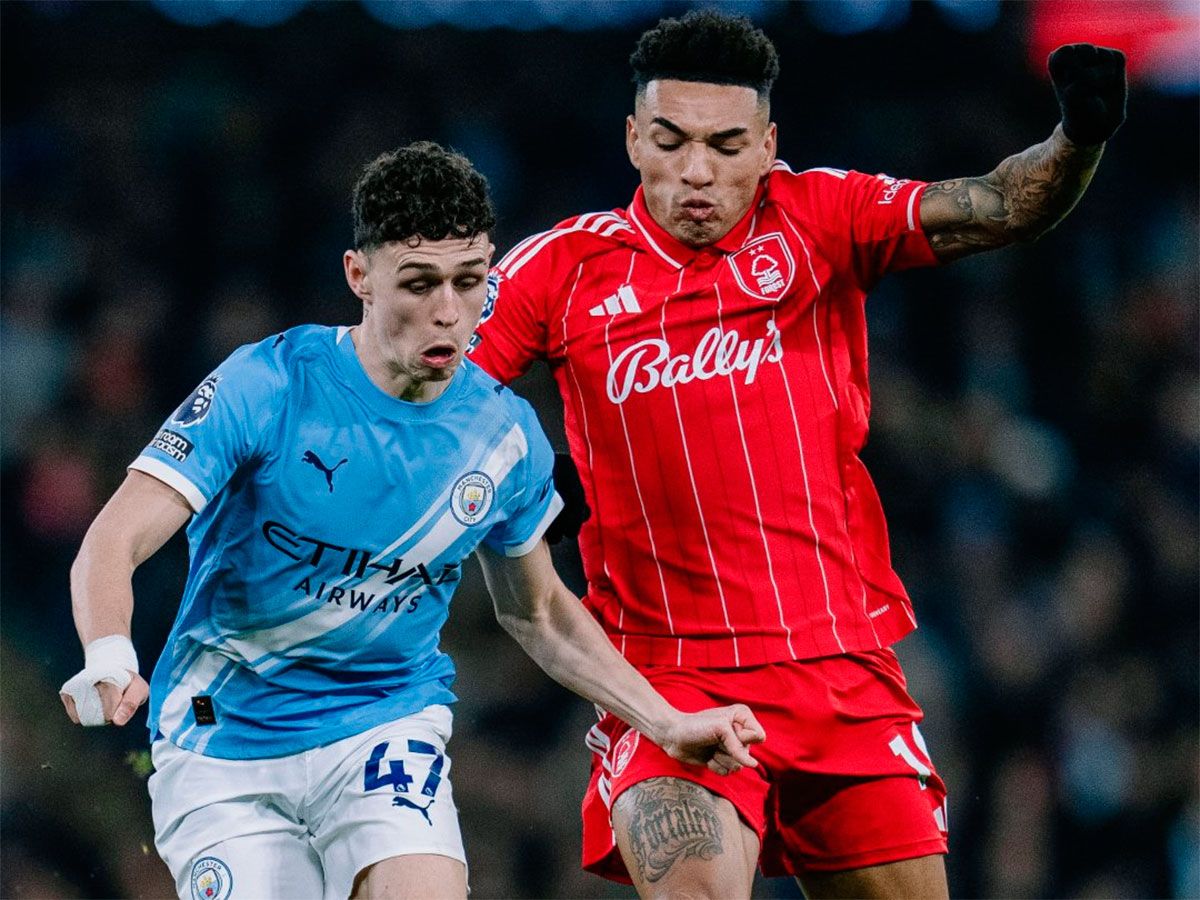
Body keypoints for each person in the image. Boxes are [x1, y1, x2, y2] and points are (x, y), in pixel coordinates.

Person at [467, 11, 1127, 900]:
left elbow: (1001, 204)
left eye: (725, 145)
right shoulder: (561, 269)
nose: (697, 170)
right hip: (669, 680)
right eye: (671, 141)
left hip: (841, 673)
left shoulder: (820, 215)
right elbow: (433, 389)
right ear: (632, 139)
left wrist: (1077, 140)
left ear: (767, 145)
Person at [58, 140, 765, 900]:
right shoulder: (268, 385)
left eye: (469, 281)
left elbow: (540, 613)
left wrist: (664, 721)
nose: (448, 311)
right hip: (222, 737)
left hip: (383, 724)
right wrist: (109, 654)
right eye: (420, 283)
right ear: (359, 275)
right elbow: (114, 539)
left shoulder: (503, 436)